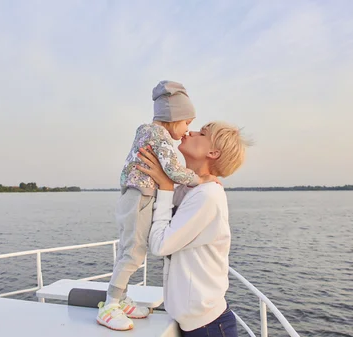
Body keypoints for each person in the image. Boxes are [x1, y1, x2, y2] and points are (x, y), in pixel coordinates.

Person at [97, 80, 218, 331]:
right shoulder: (161, 137)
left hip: (131, 197)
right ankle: (110, 305)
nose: (187, 130)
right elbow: (174, 171)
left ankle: (121, 299)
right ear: (174, 118)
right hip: (140, 198)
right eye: (187, 123)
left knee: (127, 250)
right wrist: (201, 179)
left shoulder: (145, 130)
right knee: (133, 253)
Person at [136, 121, 250, 337]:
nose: (190, 131)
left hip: (210, 327)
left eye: (202, 133)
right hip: (193, 323)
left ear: (213, 152)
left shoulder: (208, 196)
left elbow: (160, 245)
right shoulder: (189, 189)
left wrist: (166, 187)